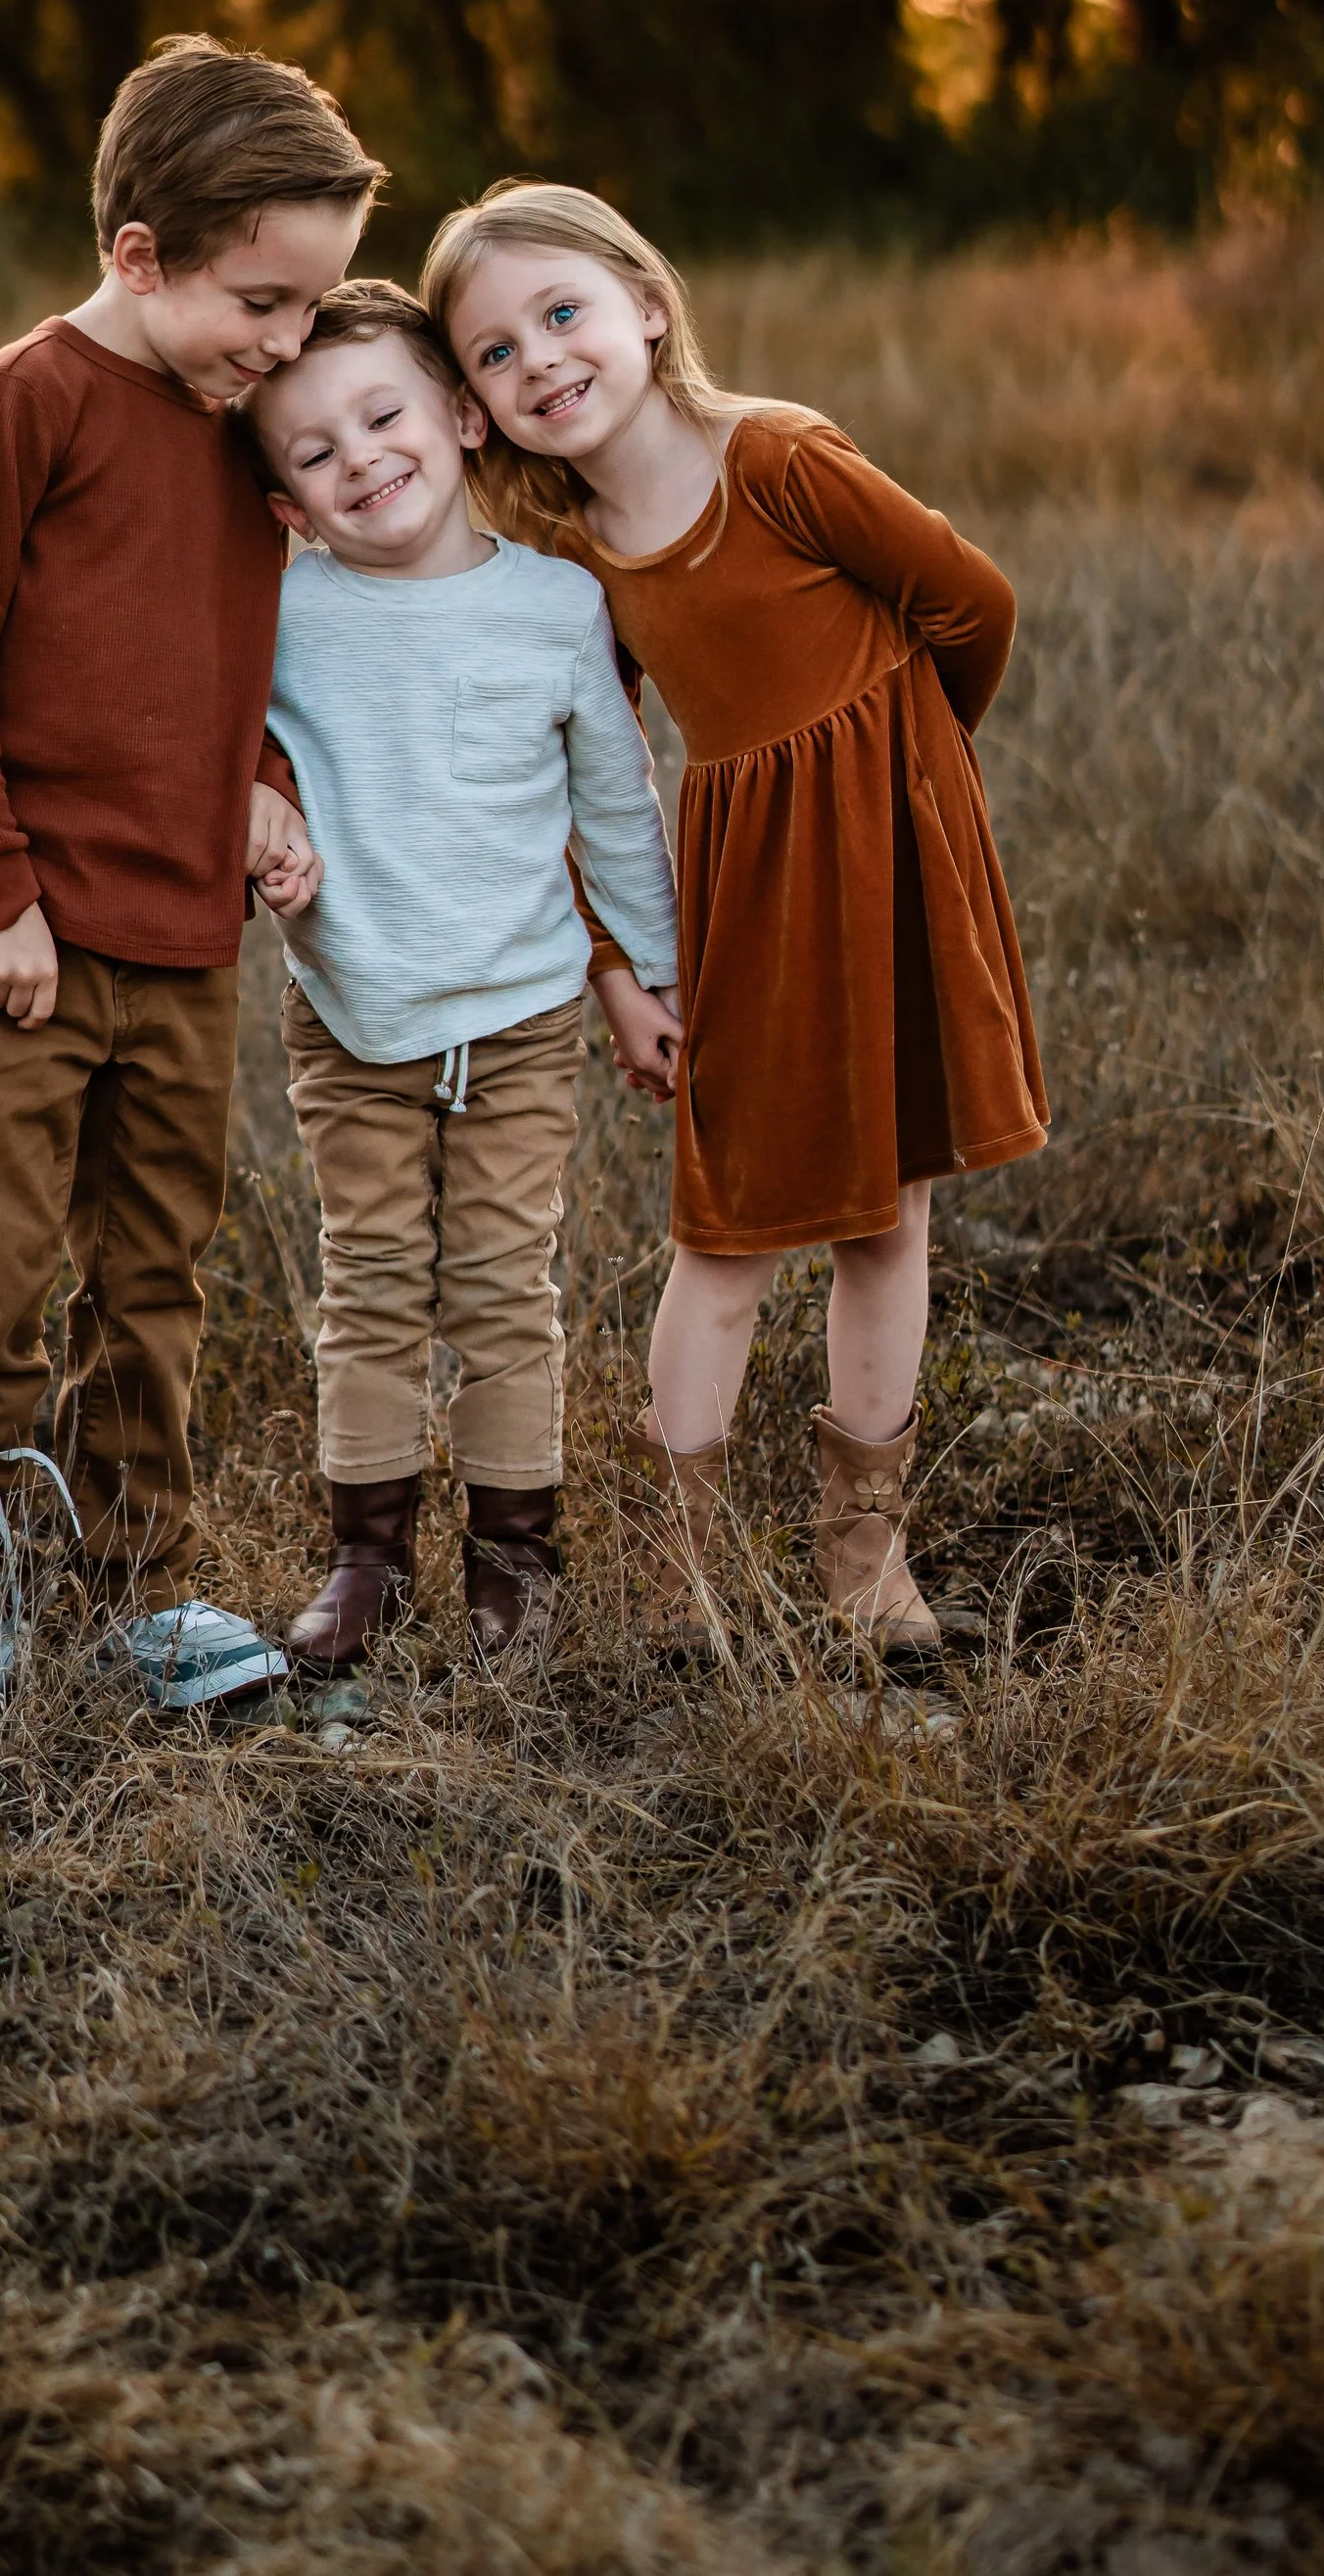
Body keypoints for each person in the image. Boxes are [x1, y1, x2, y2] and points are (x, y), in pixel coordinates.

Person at [423, 183, 1047, 1661]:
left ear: (646, 301)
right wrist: (624, 967)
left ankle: (864, 1558)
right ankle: (682, 1574)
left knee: (892, 1211)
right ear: (479, 405)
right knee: (730, 1229)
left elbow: (972, 602)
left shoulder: (775, 456)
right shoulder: (572, 557)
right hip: (748, 900)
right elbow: (578, 772)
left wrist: (907, 780)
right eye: (498, 353)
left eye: (561, 313)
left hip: (890, 863)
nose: (542, 361)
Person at [0, 36, 384, 1744]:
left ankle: (138, 1578)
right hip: (13, 948)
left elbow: (227, 658)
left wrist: (265, 785)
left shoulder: (239, 426)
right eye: (264, 298)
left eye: (312, 308)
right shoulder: (28, 401)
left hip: (184, 946)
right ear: (138, 252)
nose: (289, 344)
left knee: (154, 1273)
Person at [241, 280, 682, 1676]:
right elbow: (214, 745)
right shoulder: (284, 614)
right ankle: (365, 1555)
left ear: (461, 412)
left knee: (502, 1284)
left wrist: (656, 972)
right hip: (354, 1011)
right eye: (313, 452)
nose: (360, 457)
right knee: (368, 1283)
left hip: (523, 1014)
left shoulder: (556, 606)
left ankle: (515, 1558)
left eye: (383, 415)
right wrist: (260, 801)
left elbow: (617, 806)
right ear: (284, 498)